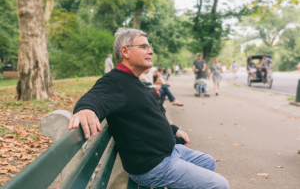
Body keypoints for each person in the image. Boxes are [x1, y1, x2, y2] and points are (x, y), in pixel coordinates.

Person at [68, 28, 230, 189]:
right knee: (220, 185)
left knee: (207, 162)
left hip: (168, 151)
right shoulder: (115, 81)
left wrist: (173, 129)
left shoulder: (133, 80)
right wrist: (86, 108)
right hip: (153, 166)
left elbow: (148, 116)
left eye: (149, 47)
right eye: (144, 47)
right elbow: (95, 96)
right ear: (125, 51)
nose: (151, 51)